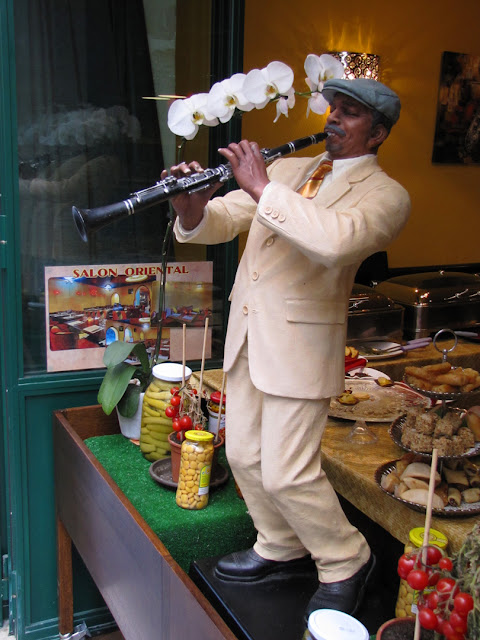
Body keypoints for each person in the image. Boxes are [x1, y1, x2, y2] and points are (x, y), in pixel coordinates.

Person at [166, 78, 411, 619]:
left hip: (302, 345)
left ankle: (344, 559)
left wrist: (260, 188)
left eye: (349, 114)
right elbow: (226, 217)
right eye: (333, 108)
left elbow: (336, 241)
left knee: (288, 471)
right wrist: (191, 209)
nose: (332, 119)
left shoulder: (387, 195)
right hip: (250, 333)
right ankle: (279, 545)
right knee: (244, 455)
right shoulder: (292, 169)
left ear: (379, 132)